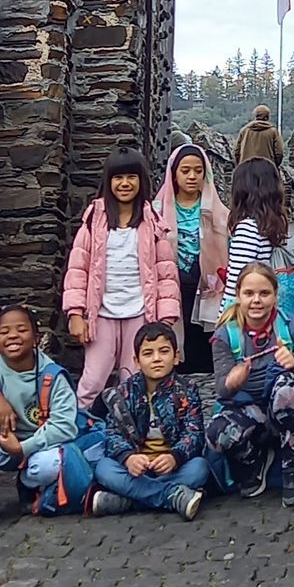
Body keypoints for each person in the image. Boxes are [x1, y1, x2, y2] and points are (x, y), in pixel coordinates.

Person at [0, 304, 89, 535]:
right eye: (4, 332)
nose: (12, 336)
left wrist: (22, 448)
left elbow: (64, 427)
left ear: (36, 339)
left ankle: (28, 483)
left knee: (52, 465)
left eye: (21, 330)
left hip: (35, 448)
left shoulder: (53, 375)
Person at [63, 150, 182, 408]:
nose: (125, 183)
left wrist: (165, 320)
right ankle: (81, 425)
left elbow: (166, 275)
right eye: (118, 178)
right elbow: (78, 268)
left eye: (131, 177)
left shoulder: (152, 222)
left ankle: (132, 427)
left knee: (135, 380)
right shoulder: (94, 219)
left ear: (141, 181)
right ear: (108, 181)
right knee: (93, 380)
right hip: (101, 315)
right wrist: (75, 313)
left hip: (140, 313)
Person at [206, 262, 294, 505]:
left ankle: (292, 462)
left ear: (275, 294)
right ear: (238, 295)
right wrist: (232, 380)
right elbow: (221, 389)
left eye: (264, 293)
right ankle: (252, 459)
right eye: (249, 293)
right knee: (216, 434)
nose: (256, 300)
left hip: (292, 413)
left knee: (287, 390)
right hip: (250, 412)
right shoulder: (224, 336)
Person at [87, 320, 209, 518]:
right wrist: (128, 458)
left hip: (171, 468)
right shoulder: (124, 393)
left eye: (164, 351)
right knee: (104, 469)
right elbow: (113, 434)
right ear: (136, 361)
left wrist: (175, 457)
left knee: (199, 468)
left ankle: (127, 501)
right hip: (136, 469)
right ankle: (172, 496)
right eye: (148, 353)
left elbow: (194, 432)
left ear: (176, 357)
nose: (156, 359)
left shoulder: (187, 390)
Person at [157, 142, 227, 375]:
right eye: (185, 170)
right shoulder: (158, 211)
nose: (192, 176)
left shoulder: (217, 211)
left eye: (198, 170)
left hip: (208, 283)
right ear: (174, 173)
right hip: (172, 283)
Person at [223, 155, 289, 303]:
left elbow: (236, 283)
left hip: (247, 309)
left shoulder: (247, 229)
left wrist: (225, 314)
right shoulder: (270, 225)